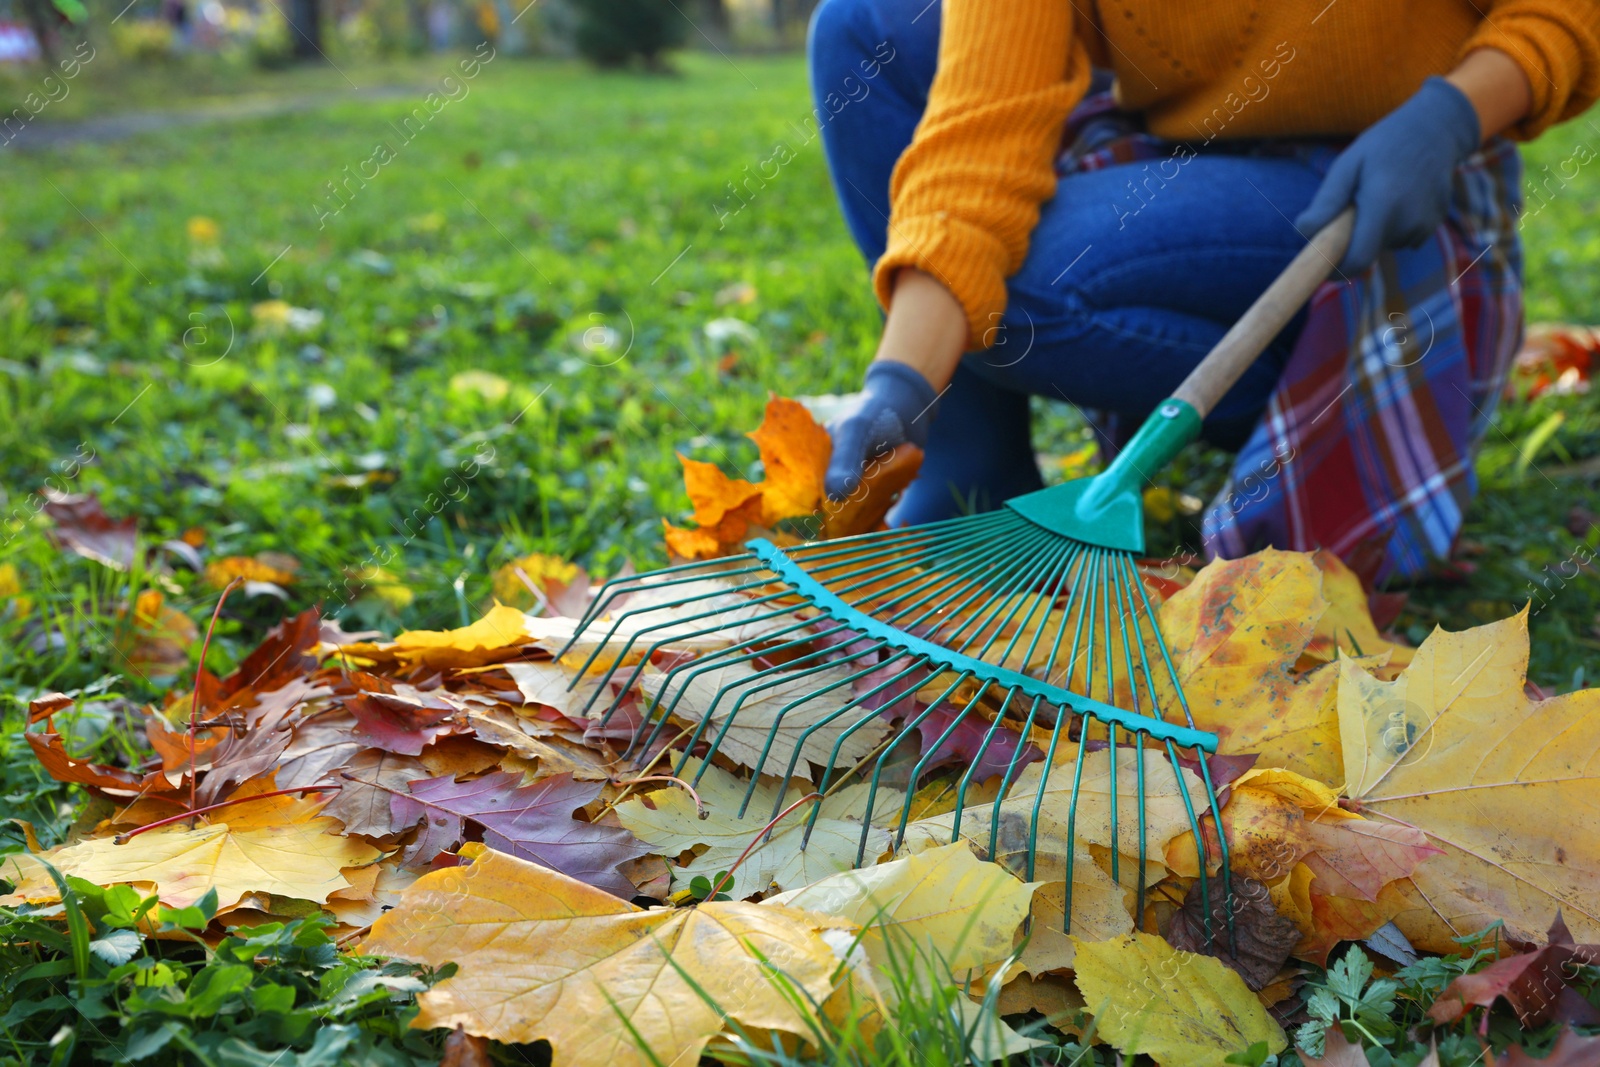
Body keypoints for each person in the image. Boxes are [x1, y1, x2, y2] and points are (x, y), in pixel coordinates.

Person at [810, 0, 1600, 582]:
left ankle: (1323, 400)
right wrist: (904, 380)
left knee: (1021, 291)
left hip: (1411, 172)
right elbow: (978, 131)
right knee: (865, 28)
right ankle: (968, 471)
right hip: (1184, 151)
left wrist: (1455, 112)